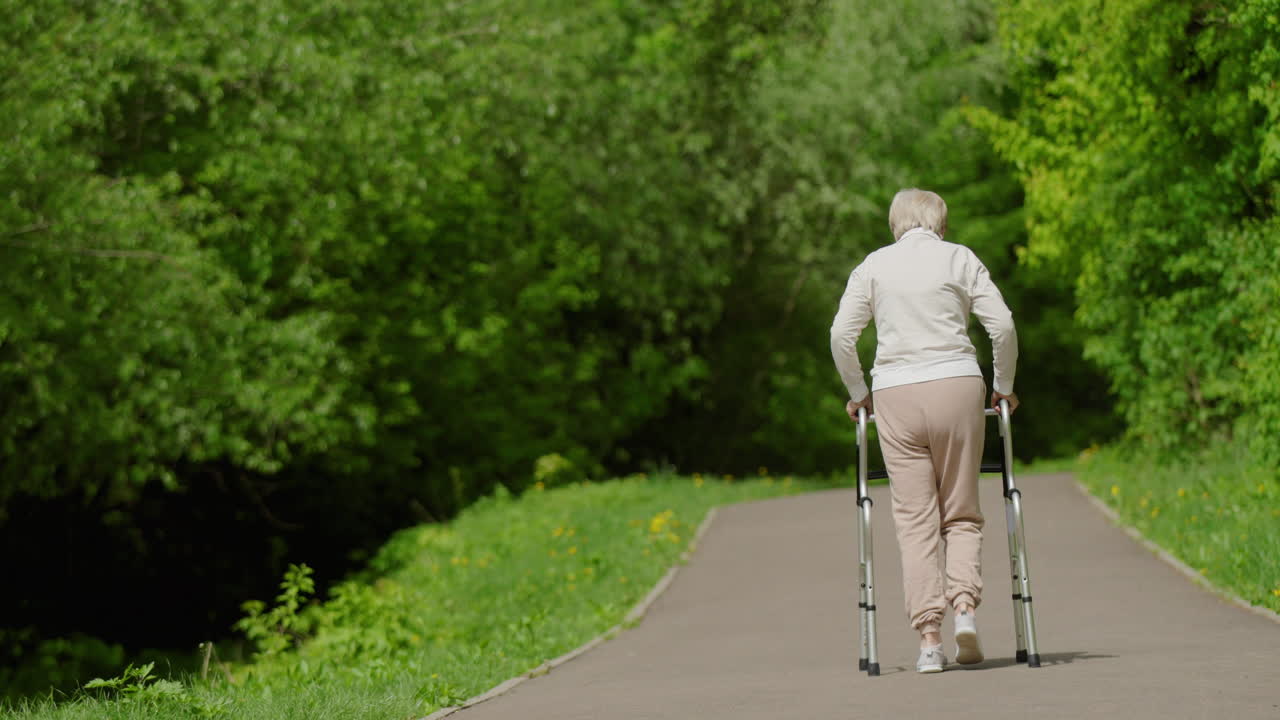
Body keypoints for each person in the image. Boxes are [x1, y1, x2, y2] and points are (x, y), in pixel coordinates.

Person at [829, 188, 1018, 674]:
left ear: (896, 224)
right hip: (957, 384)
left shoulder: (873, 266)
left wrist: (857, 391)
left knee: (915, 519)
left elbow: (841, 335)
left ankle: (929, 641)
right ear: (941, 223)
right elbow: (1002, 326)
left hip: (895, 392)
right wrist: (1003, 385)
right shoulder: (961, 259)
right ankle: (965, 612)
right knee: (960, 511)